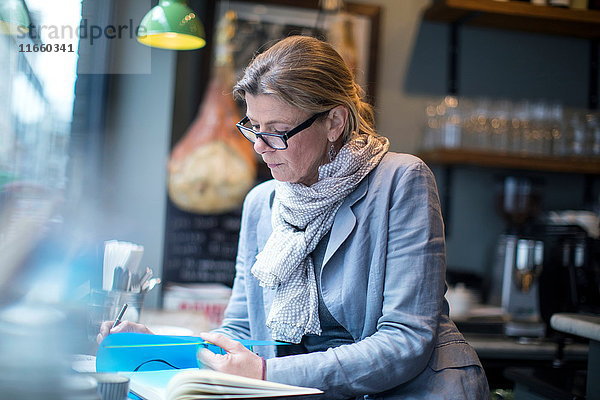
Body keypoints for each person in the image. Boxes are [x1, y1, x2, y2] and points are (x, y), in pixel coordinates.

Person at [99, 35, 489, 399]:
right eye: (254, 128)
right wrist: (156, 347)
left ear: (334, 122)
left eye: (278, 130)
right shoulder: (262, 204)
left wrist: (268, 374)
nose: (261, 147)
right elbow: (242, 332)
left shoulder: (401, 180)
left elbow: (405, 341)